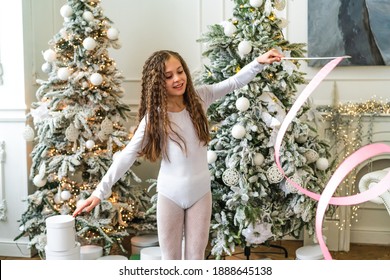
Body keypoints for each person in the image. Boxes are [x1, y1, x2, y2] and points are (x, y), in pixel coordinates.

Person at [73, 48, 283, 260]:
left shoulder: (201, 97)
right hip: (170, 196)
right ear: (157, 83)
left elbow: (234, 82)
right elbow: (127, 155)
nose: (177, 79)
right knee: (170, 261)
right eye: (168, 76)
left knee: (196, 259)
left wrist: (259, 62)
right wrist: (99, 192)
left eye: (180, 71)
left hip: (201, 194)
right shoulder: (154, 118)